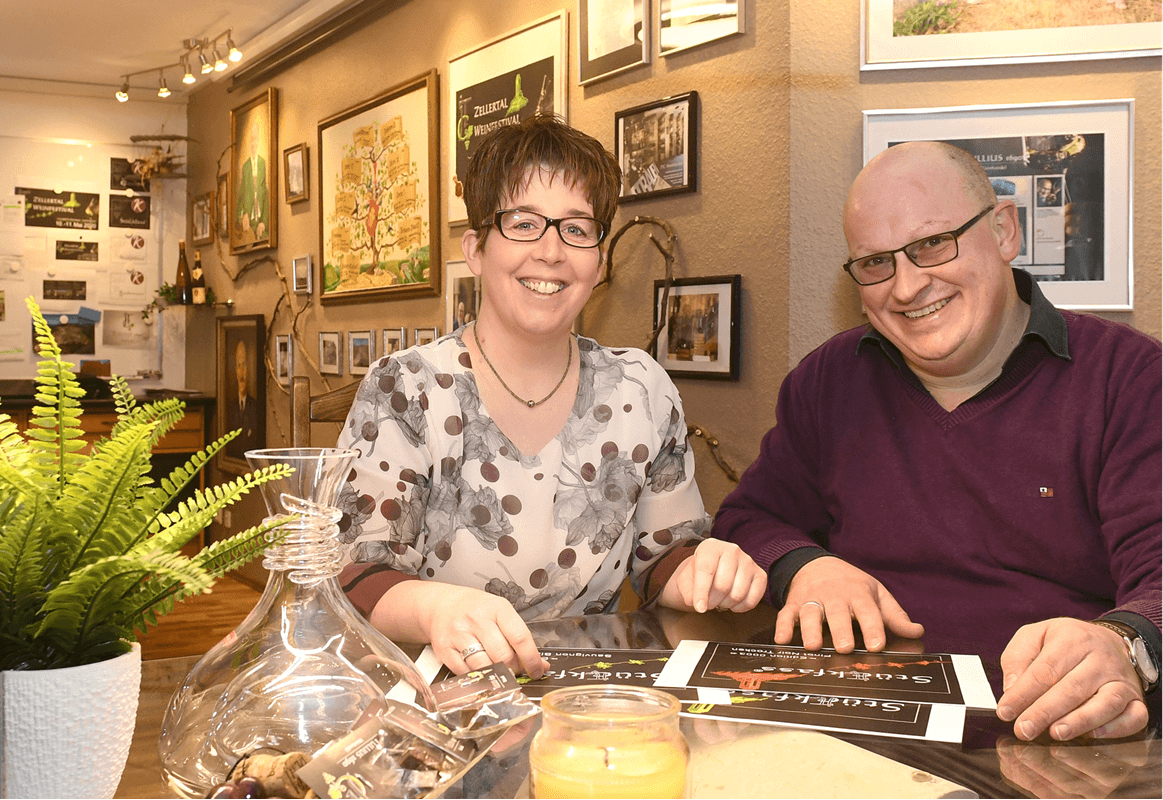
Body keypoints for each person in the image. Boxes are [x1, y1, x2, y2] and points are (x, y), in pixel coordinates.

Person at [713, 140, 1160, 742]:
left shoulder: (1128, 378)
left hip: (1052, 742)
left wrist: (1125, 643)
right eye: (875, 263)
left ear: (1004, 231)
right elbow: (749, 519)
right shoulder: (829, 380)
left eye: (930, 245)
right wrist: (806, 566)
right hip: (857, 738)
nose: (905, 287)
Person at [336, 114, 766, 679]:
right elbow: (358, 575)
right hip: (432, 694)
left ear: (600, 259)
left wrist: (708, 571)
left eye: (577, 229)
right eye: (523, 223)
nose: (551, 250)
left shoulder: (642, 389)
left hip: (587, 700)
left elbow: (663, 559)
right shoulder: (406, 388)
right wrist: (441, 608)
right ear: (476, 249)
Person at [235, 115, 268, 243]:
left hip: (261, 220)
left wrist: (264, 222)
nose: (253, 143)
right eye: (251, 140)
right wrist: (243, 216)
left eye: (256, 139)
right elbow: (241, 198)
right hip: (250, 223)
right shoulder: (246, 166)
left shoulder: (262, 163)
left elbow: (265, 195)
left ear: (259, 141)